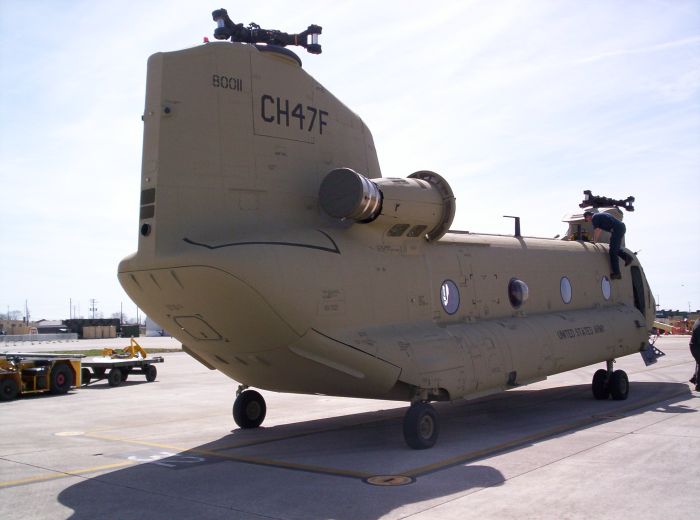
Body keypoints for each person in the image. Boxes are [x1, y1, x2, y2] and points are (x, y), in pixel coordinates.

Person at [583, 211, 633, 279]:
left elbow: (597, 230)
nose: (588, 221)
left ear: (588, 216)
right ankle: (627, 257)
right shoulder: (600, 215)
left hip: (617, 229)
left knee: (612, 252)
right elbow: (599, 230)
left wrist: (594, 242)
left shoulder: (594, 218)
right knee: (614, 248)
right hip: (620, 228)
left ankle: (617, 273)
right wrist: (594, 240)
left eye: (587, 219)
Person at [689, 318, 700, 391]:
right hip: (696, 346)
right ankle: (698, 385)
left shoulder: (697, 321)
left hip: (695, 346)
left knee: (699, 363)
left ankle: (694, 379)